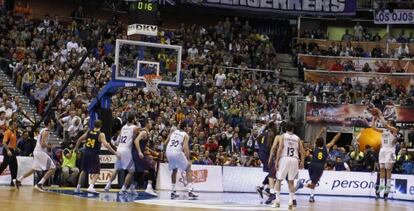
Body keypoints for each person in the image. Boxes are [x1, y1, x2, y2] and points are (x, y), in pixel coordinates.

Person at [296, 127, 342, 202]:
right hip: (319, 167)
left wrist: (321, 130)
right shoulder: (326, 147)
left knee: (313, 182)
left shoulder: (315, 147)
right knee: (313, 184)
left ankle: (311, 196)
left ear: (317, 143)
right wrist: (339, 133)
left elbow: (316, 137)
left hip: (311, 165)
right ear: (323, 142)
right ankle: (302, 185)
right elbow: (334, 140)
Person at [74, 120, 118, 193]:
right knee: (97, 172)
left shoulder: (89, 131)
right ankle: (91, 186)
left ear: (94, 125)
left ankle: (78, 187)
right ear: (101, 126)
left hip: (86, 152)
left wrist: (76, 148)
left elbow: (79, 139)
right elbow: (106, 145)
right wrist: (115, 152)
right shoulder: (101, 134)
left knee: (84, 171)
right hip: (93, 153)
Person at [14, 120, 56, 192]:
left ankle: (18, 180)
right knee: (53, 168)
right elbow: (42, 144)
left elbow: (41, 143)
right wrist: (51, 146)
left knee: (34, 169)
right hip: (40, 152)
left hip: (37, 151)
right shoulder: (46, 131)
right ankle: (40, 184)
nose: (53, 123)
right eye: (52, 122)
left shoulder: (43, 130)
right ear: (49, 123)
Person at [104, 115, 140, 194]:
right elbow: (135, 137)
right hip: (126, 150)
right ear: (133, 120)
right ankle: (123, 188)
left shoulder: (123, 127)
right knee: (131, 171)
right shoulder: (135, 127)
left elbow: (120, 137)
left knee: (117, 169)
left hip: (119, 148)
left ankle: (108, 185)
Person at [274, 122, 305, 209]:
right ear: (293, 129)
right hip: (294, 159)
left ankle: (277, 201)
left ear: (285, 129)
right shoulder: (297, 138)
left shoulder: (282, 136)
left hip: (285, 158)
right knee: (291, 182)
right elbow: (302, 151)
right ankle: (290, 202)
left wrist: (277, 161)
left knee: (279, 180)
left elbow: (280, 149)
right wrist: (302, 162)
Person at [165, 121, 198, 199]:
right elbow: (185, 148)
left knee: (174, 170)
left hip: (168, 151)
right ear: (186, 127)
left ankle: (173, 191)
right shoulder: (185, 135)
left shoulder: (173, 131)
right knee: (188, 168)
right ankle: (190, 190)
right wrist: (189, 159)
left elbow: (165, 143)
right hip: (176, 152)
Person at [373, 110, 398, 201]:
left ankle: (386, 192)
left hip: (390, 151)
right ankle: (380, 191)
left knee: (388, 171)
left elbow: (386, 125)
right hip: (383, 150)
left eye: (389, 122)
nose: (387, 122)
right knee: (382, 170)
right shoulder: (384, 130)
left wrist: (380, 115)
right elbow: (373, 128)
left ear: (392, 124)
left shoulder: (394, 130)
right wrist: (374, 119)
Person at [132, 120, 157, 196]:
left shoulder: (144, 132)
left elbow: (143, 145)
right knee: (152, 166)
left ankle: (131, 187)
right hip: (137, 153)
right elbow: (136, 141)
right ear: (147, 124)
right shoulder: (144, 132)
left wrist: (151, 151)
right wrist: (139, 152)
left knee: (138, 171)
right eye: (150, 122)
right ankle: (149, 188)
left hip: (135, 153)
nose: (151, 123)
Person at [256, 122, 278, 205]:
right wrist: (273, 152)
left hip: (261, 153)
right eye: (275, 126)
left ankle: (262, 187)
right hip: (266, 153)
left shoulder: (263, 132)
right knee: (273, 171)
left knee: (271, 172)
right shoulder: (271, 133)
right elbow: (269, 145)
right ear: (272, 126)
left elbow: (257, 139)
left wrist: (260, 148)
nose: (276, 127)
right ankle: (265, 189)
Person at [0, 121, 19, 186]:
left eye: (16, 124)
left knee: (14, 166)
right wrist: (8, 151)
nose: (15, 126)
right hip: (7, 150)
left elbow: (13, 141)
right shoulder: (7, 132)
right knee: (4, 165)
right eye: (14, 124)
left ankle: (13, 181)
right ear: (10, 125)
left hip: (12, 150)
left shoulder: (14, 131)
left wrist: (16, 147)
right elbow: (4, 143)